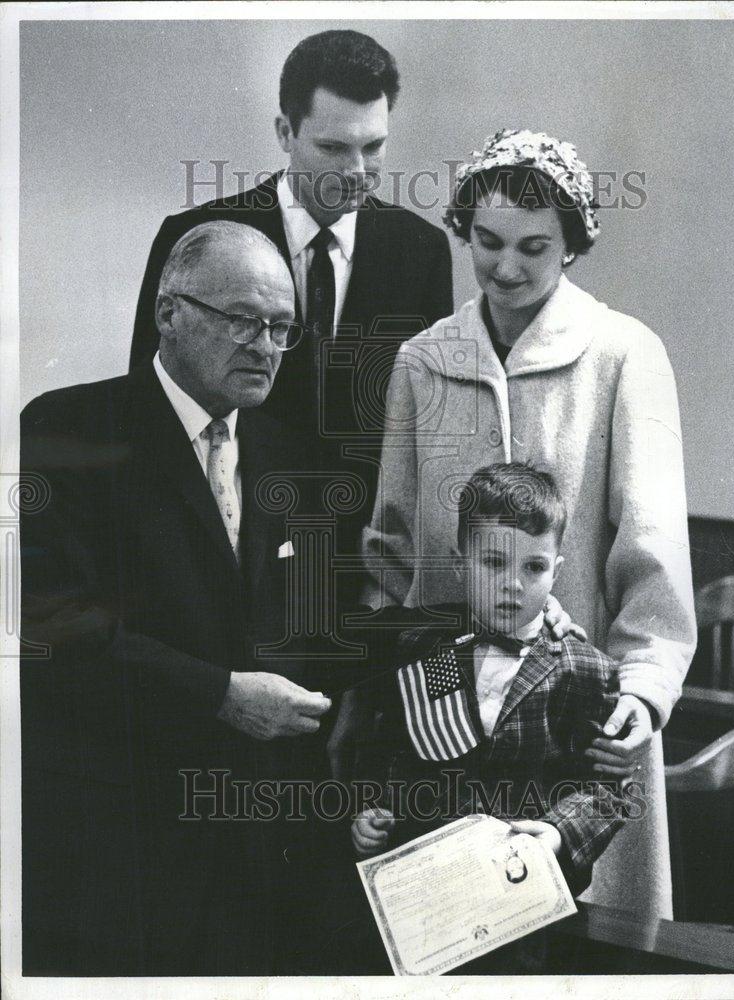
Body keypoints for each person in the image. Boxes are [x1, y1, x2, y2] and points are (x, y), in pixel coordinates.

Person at [362, 129, 697, 918]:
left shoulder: (623, 354)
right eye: (486, 242)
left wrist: (642, 697)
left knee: (577, 941)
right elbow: (391, 547)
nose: (505, 268)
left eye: (533, 247)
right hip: (439, 729)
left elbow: (652, 549)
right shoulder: (422, 361)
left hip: (584, 726)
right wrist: (387, 704)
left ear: (573, 246)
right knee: (443, 934)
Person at [20, 221, 334, 975]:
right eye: (243, 321)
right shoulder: (66, 428)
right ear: (170, 314)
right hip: (115, 852)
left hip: (255, 864)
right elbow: (48, 632)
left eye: (282, 328)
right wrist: (218, 694)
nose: (265, 345)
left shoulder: (292, 455)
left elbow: (321, 637)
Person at [128, 29, 454, 612]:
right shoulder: (194, 235)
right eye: (333, 148)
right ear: (285, 132)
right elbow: (148, 411)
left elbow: (423, 428)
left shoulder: (421, 250)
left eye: (374, 147)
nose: (357, 171)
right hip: (222, 561)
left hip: (364, 572)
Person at [346, 464, 629, 974]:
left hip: (522, 896)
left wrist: (558, 833)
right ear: (460, 563)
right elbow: (390, 747)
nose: (512, 586)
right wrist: (372, 810)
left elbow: (609, 789)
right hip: (424, 890)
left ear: (557, 570)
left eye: (534, 568)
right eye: (493, 563)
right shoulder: (422, 648)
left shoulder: (584, 670)